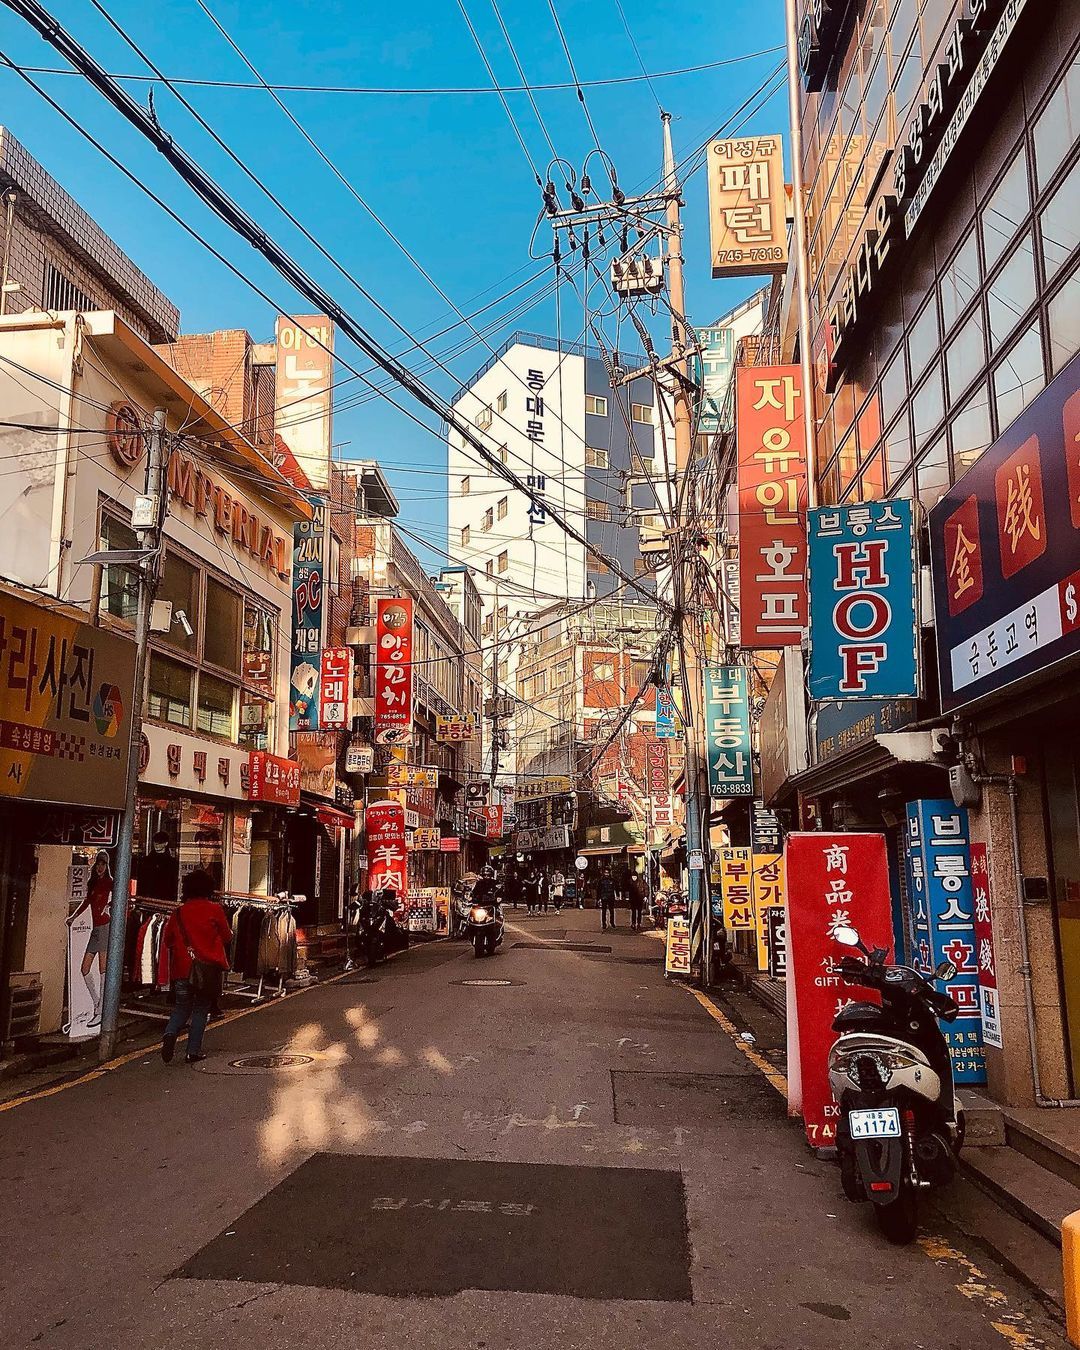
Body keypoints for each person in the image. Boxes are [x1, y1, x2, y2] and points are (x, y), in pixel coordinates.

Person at [159, 869, 232, 1065]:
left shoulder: (179, 912)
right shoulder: (215, 909)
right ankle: (192, 1052)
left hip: (182, 969)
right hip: (206, 969)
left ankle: (170, 1032)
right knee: (200, 1009)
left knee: (182, 1007)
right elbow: (227, 936)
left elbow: (167, 940)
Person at [68, 850, 113, 1029]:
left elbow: (116, 900)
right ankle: (97, 1003)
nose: (100, 867)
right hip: (95, 928)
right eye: (99, 863)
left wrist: (108, 907)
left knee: (102, 968)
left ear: (107, 865)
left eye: (103, 864)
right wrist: (73, 917)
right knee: (85, 968)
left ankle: (100, 1011)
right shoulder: (93, 882)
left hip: (104, 926)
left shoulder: (110, 883)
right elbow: (87, 902)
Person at [137, 831, 179, 902]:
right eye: (155, 843)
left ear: (166, 843)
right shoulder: (146, 861)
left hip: (163, 898)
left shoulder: (171, 863)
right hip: (149, 897)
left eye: (159, 843)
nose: (156, 845)